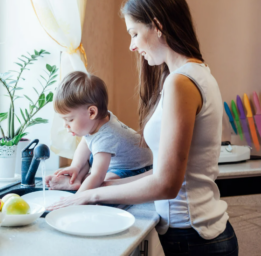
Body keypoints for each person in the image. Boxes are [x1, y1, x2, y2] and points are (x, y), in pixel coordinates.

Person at [47, 0, 238, 255]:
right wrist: (95, 187)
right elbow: (162, 173)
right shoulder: (194, 74)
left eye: (134, 33)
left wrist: (90, 196)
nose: (132, 45)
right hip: (198, 235)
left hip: (195, 238)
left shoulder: (181, 82)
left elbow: (167, 184)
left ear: (158, 26)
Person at [45, 71, 153, 192]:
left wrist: (77, 199)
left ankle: (80, 183)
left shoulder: (107, 136)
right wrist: (75, 167)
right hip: (113, 160)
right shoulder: (95, 122)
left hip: (134, 168)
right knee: (85, 159)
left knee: (104, 182)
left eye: (70, 119)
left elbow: (97, 176)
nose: (66, 125)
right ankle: (75, 180)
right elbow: (85, 143)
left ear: (92, 112)